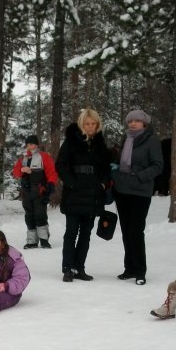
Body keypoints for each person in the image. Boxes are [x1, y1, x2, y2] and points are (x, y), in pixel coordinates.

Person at [55, 108, 111, 283]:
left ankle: (79, 267)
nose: (90, 127)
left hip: (93, 194)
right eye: (87, 123)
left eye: (93, 123)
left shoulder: (100, 143)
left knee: (86, 233)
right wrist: (70, 183)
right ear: (81, 124)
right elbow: (60, 164)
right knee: (71, 232)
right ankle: (68, 268)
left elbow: (106, 168)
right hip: (74, 194)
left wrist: (102, 184)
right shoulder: (71, 141)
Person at [112, 109, 163, 285]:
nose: (133, 124)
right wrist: (116, 173)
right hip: (122, 191)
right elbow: (120, 163)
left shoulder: (152, 140)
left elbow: (158, 165)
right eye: (130, 121)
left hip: (140, 192)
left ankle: (140, 270)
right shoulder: (126, 138)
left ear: (144, 123)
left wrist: (139, 176)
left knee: (136, 231)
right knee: (126, 231)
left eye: (137, 121)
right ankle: (129, 268)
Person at [12, 135, 58, 249]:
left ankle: (44, 240)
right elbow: (16, 173)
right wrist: (22, 169)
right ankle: (32, 241)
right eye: (27, 144)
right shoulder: (23, 159)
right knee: (29, 215)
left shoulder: (44, 156)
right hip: (26, 191)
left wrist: (51, 184)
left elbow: (52, 172)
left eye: (31, 144)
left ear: (37, 145)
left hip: (39, 191)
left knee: (40, 214)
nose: (29, 146)